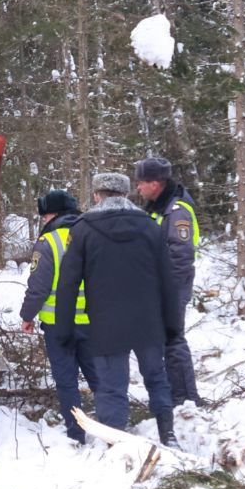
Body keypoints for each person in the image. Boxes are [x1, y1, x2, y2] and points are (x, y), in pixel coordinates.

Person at [55, 172, 181, 448]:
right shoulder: (150, 227)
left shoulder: (83, 229)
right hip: (148, 318)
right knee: (156, 377)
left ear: (97, 195)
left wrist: (63, 328)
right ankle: (167, 433)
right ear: (125, 194)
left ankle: (116, 443)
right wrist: (174, 325)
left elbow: (68, 283)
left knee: (111, 386)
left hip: (106, 321)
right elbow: (168, 279)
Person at [18, 189, 97, 444]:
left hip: (59, 325)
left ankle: (76, 433)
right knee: (99, 376)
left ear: (53, 214)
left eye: (44, 215)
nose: (42, 220)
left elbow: (39, 286)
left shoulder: (49, 241)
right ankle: (114, 424)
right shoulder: (92, 235)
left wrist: (27, 315)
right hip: (92, 321)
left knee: (66, 380)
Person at [134, 156, 202, 407]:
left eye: (141, 183)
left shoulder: (177, 210)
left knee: (173, 340)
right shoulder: (156, 208)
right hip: (157, 286)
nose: (138, 188)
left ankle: (186, 397)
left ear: (156, 183)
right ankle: (175, 394)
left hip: (171, 287)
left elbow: (181, 255)